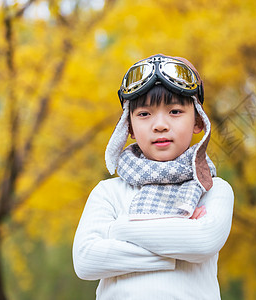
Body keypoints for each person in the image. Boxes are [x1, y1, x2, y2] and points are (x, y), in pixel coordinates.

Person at [72, 54, 234, 299]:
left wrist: (119, 229)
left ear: (198, 121)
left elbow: (202, 242)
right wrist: (177, 241)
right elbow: (86, 261)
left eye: (175, 111)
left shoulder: (211, 189)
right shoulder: (108, 192)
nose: (160, 124)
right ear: (129, 127)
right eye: (145, 114)